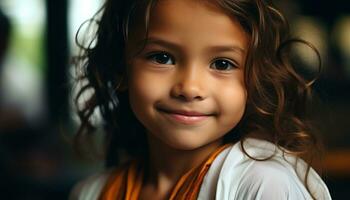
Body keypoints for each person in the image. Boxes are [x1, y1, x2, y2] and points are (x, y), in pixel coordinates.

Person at [70, 0, 331, 199]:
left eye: (222, 63)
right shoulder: (92, 192)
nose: (190, 88)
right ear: (120, 69)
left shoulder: (262, 186)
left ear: (254, 79)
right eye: (162, 57)